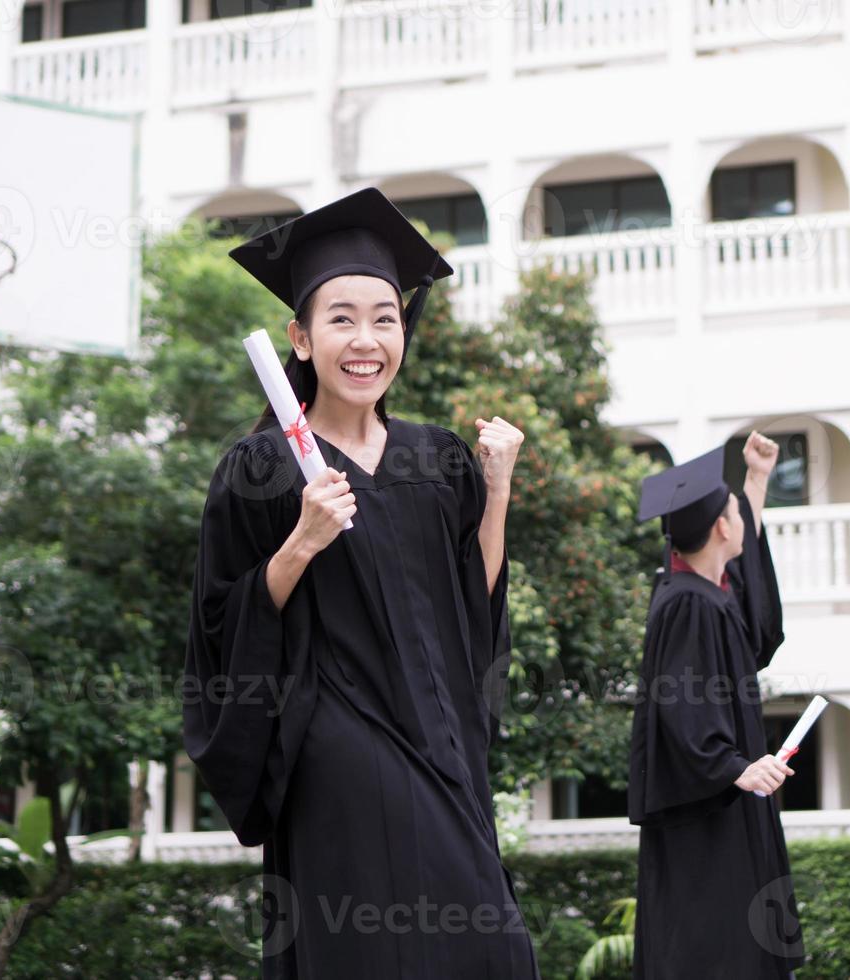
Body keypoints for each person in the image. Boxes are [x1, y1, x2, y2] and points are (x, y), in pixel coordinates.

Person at [182, 187, 540, 978]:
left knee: (488, 945)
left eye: (385, 317)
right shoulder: (260, 468)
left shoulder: (438, 458)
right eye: (341, 318)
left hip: (442, 735)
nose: (366, 338)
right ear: (299, 338)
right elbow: (219, 630)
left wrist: (499, 489)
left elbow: (473, 607)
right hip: (338, 743)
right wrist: (300, 543)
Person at [628, 434, 806, 980]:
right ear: (722, 528)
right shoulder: (686, 605)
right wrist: (733, 766)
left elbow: (758, 627)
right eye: (735, 510)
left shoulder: (709, 597)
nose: (740, 519)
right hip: (706, 815)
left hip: (730, 803)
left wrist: (755, 482)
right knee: (715, 950)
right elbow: (681, 712)